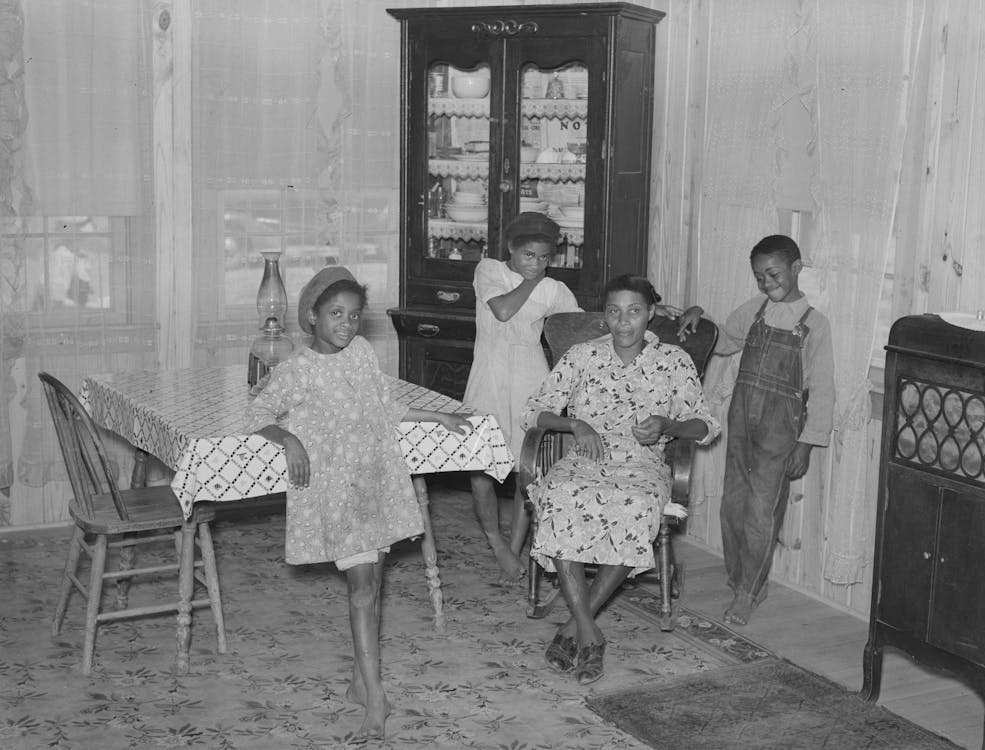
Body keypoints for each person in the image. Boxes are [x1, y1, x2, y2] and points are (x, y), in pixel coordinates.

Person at [244, 266, 472, 742]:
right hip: (338, 496)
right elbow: (257, 413)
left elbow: (383, 406)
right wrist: (288, 438)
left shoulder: (363, 353)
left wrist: (438, 414)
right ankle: (376, 697)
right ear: (312, 316)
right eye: (335, 314)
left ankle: (357, 682)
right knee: (363, 591)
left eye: (354, 315)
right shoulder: (298, 369)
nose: (346, 324)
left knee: (371, 588)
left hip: (378, 485)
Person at [521, 275, 720, 684]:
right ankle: (591, 634)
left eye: (633, 311)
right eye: (614, 312)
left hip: (642, 464)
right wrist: (575, 424)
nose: (623, 322)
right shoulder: (582, 356)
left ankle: (573, 628)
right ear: (604, 316)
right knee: (560, 494)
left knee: (635, 503)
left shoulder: (674, 361)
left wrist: (669, 424)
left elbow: (706, 426)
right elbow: (534, 411)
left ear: (650, 314)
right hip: (584, 458)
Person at [677, 234, 835, 627]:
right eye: (759, 276)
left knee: (761, 512)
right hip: (742, 420)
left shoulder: (815, 325)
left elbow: (824, 390)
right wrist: (696, 315)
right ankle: (740, 579)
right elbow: (722, 340)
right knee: (732, 505)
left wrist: (808, 444)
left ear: (796, 269)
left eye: (773, 273)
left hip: (782, 429)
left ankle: (749, 591)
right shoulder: (754, 310)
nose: (767, 282)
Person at [463, 211, 581, 583]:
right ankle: (495, 542)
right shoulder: (489, 271)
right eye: (529, 255)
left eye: (545, 257)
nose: (537, 263)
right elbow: (502, 310)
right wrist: (533, 281)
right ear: (511, 249)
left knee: (524, 469)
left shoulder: (555, 290)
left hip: (532, 376)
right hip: (489, 373)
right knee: (482, 468)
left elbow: (584, 328)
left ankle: (514, 548)